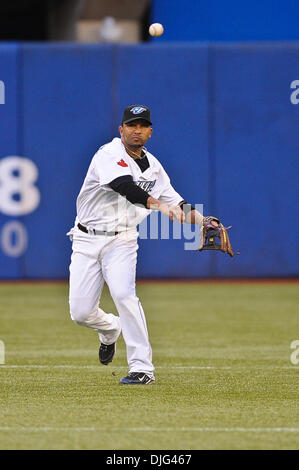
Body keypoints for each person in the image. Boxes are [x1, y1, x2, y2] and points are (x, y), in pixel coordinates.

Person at [67, 104, 208, 385]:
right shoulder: (108, 154)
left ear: (150, 132)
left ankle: (142, 368)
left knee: (124, 294)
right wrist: (160, 207)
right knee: (80, 313)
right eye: (132, 125)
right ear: (121, 130)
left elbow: (178, 203)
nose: (137, 130)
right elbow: (125, 187)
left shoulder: (154, 167)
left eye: (143, 125)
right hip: (86, 237)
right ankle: (111, 329)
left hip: (122, 239)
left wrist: (203, 221)